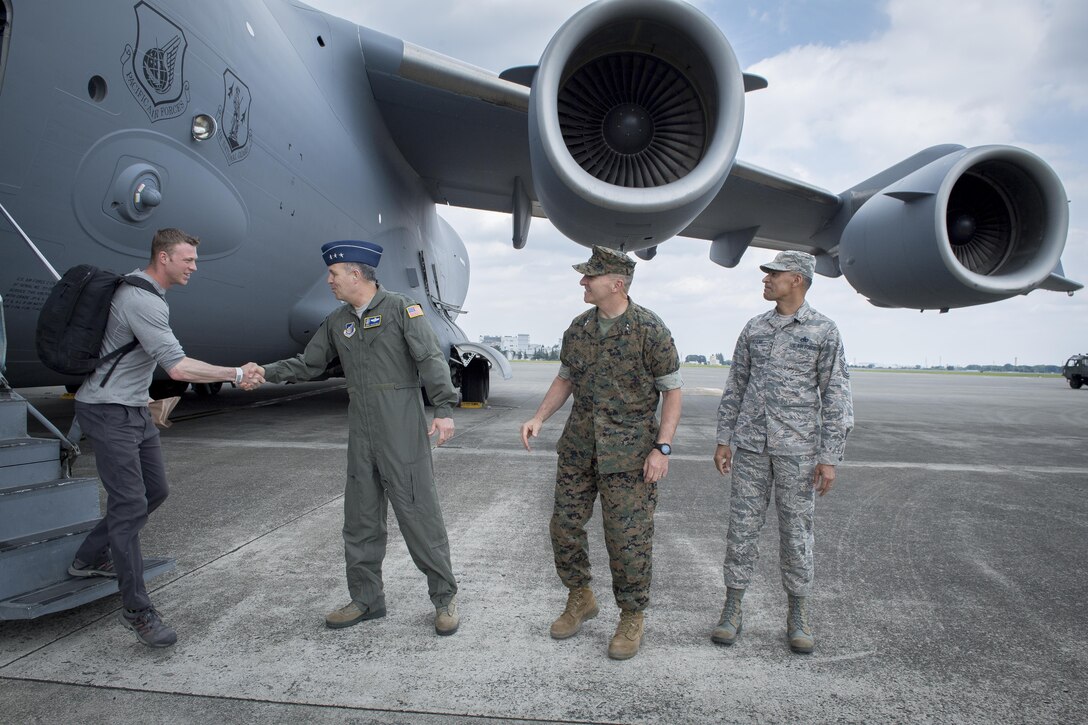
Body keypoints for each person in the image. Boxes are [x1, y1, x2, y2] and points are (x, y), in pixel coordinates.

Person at [244, 241, 460, 635]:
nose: (329, 281)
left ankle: (443, 599)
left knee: (419, 514)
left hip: (401, 428)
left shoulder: (401, 310)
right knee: (359, 520)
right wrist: (263, 372)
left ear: (356, 274)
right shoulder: (337, 321)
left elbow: (430, 359)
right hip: (361, 430)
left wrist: (444, 409)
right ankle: (366, 599)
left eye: (334, 274)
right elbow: (307, 365)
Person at [69, 228, 263, 648]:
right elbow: (177, 369)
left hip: (133, 408)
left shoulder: (151, 296)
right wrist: (234, 374)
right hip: (106, 411)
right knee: (129, 504)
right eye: (188, 259)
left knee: (154, 490)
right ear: (163, 258)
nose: (195, 266)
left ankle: (88, 556)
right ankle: (137, 610)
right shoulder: (141, 300)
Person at [520, 245, 681, 661]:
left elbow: (672, 392)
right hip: (578, 448)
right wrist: (540, 417)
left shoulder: (650, 329)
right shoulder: (579, 328)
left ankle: (631, 615)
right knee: (564, 527)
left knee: (627, 540)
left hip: (629, 455)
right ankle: (580, 597)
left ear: (616, 283)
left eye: (589, 277)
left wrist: (662, 448)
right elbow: (566, 379)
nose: (582, 282)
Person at [711, 250, 853, 654]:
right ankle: (732, 609)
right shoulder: (755, 329)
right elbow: (735, 386)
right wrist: (725, 439)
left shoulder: (823, 331)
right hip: (752, 447)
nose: (766, 279)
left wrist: (829, 457)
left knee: (796, 534)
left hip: (798, 451)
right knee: (741, 530)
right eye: (767, 274)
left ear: (799, 280)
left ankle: (798, 614)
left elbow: (837, 396)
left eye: (775, 274)